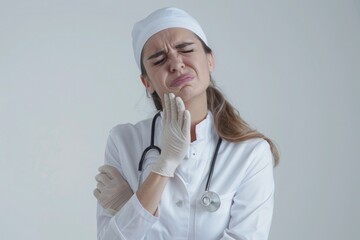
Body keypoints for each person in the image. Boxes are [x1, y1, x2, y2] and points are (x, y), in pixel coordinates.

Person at [93, 7, 279, 240]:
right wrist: (164, 166)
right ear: (147, 82)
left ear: (210, 60)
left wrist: (130, 208)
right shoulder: (123, 142)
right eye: (159, 59)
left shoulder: (251, 153)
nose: (176, 63)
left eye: (186, 49)